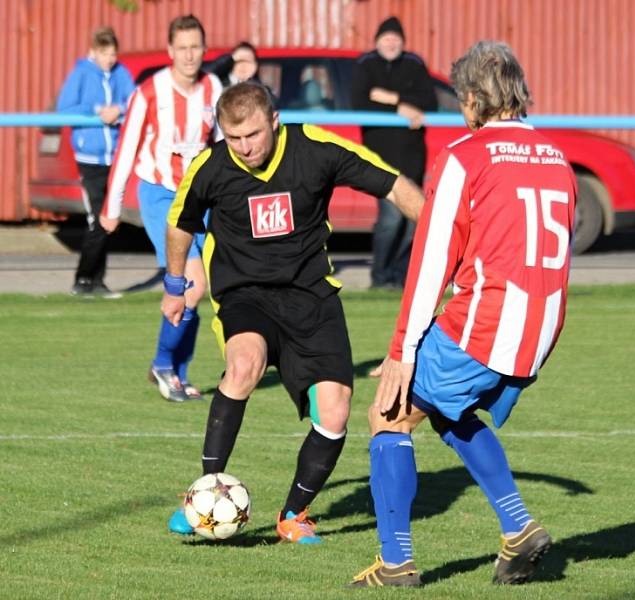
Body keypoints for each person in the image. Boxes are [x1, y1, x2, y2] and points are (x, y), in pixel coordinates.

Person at [350, 41, 576, 587]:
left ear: (473, 99)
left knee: (389, 412)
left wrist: (403, 349)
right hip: (540, 326)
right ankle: (519, 530)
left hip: (487, 321)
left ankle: (396, 562)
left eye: (461, 100)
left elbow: (431, 261)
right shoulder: (556, 157)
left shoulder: (464, 155)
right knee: (451, 412)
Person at [160, 82, 425, 543]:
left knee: (337, 412)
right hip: (244, 294)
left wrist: (446, 240)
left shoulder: (314, 149)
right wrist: (174, 285)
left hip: (311, 296)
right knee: (244, 365)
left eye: (253, 135)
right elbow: (180, 223)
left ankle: (293, 515)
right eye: (233, 138)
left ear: (275, 121)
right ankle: (202, 495)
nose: (244, 148)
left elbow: (393, 184)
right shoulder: (212, 166)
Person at [100, 14, 223, 402]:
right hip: (159, 195)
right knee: (190, 283)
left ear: (204, 49)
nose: (189, 55)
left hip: (197, 198)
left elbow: (220, 146)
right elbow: (127, 149)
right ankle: (164, 364)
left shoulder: (213, 87)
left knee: (195, 289)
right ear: (170, 51)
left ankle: (175, 372)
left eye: (195, 47)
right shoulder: (149, 92)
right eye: (182, 48)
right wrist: (113, 205)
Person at [351, 16, 437, 289]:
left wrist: (390, 98)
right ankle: (379, 277)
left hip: (412, 156)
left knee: (413, 222)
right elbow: (359, 102)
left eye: (396, 38)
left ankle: (399, 277)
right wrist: (399, 107)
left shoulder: (414, 63)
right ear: (377, 41)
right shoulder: (366, 64)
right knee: (391, 218)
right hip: (380, 157)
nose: (391, 43)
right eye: (386, 38)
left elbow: (429, 101)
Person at [56, 26, 135, 298]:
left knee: (108, 218)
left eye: (113, 53)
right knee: (97, 221)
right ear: (94, 52)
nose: (109, 59)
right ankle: (83, 279)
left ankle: (97, 282)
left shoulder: (121, 73)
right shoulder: (81, 73)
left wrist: (120, 109)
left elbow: (133, 99)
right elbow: (65, 108)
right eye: (104, 53)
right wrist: (96, 111)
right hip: (89, 158)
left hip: (113, 157)